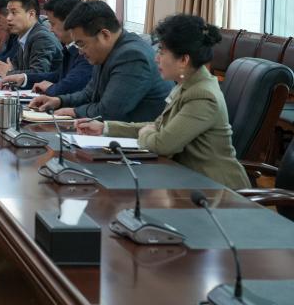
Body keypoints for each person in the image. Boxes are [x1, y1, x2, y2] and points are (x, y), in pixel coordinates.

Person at [76, 14, 249, 189]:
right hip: (187, 180)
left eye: (162, 52)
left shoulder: (203, 95)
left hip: (218, 190)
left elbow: (162, 144)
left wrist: (146, 133)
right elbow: (158, 127)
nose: (156, 58)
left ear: (184, 60)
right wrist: (105, 128)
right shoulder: (186, 84)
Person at [29, 0, 172, 122]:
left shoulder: (132, 56)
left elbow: (109, 111)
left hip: (137, 140)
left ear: (104, 35)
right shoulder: (106, 51)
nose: (80, 51)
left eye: (81, 44)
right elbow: (88, 94)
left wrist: (73, 111)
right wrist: (59, 101)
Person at [0, 0, 92, 96]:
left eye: (53, 24)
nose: (51, 30)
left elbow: (71, 85)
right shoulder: (70, 47)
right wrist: (24, 78)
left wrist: (51, 88)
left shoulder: (86, 51)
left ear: (70, 21)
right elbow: (57, 76)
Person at [0, 0, 62, 78]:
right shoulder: (24, 35)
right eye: (8, 13)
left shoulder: (41, 38)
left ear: (31, 14)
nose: (8, 18)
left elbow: (38, 73)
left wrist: (10, 73)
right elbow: (15, 67)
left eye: (14, 13)